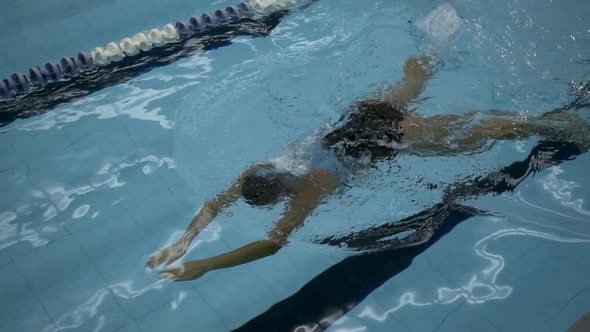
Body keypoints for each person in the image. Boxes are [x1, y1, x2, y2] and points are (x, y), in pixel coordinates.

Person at [145, 52, 589, 281]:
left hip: (390, 139)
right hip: (361, 116)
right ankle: (439, 38)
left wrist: (206, 264)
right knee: (415, 79)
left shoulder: (311, 189)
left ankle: (563, 121)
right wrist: (184, 241)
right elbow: (216, 202)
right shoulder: (266, 167)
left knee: (491, 132)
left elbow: (273, 245)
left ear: (279, 194)